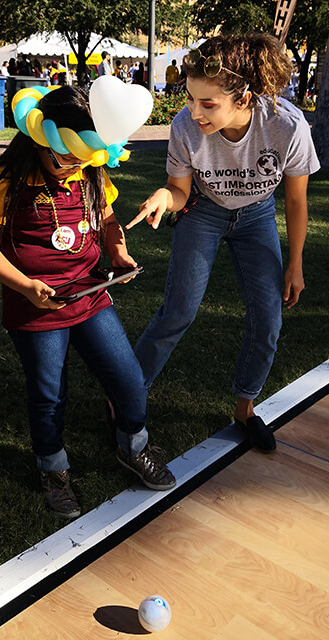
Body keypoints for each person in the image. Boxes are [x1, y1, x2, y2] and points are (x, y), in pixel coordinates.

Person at [0, 85, 176, 520]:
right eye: (66, 156)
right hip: (34, 306)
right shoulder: (6, 179)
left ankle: (133, 445)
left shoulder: (90, 170)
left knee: (129, 380)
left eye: (84, 158)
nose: (75, 166)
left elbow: (107, 218)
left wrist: (117, 251)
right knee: (48, 395)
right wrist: (26, 286)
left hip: (88, 293)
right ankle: (53, 469)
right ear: (41, 139)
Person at [126, 33, 320, 453]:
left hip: (257, 215)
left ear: (245, 97)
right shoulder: (184, 127)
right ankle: (126, 397)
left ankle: (245, 409)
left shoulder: (287, 125)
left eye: (207, 103)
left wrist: (296, 262)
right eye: (191, 99)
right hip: (204, 211)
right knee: (178, 311)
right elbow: (178, 191)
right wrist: (166, 196)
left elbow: (296, 198)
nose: (194, 112)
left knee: (268, 320)